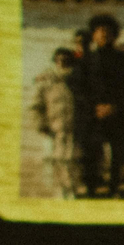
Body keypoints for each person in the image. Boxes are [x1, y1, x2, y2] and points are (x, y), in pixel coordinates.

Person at [80, 14, 124, 197]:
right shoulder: (85, 61)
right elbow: (78, 88)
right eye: (100, 32)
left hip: (118, 115)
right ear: (94, 36)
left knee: (117, 155)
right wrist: (94, 108)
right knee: (92, 155)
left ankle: (114, 188)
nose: (104, 35)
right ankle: (91, 190)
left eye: (108, 32)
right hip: (94, 115)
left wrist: (115, 106)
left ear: (115, 35)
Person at [32, 47, 84, 197]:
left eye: (66, 59)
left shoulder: (77, 80)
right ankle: (59, 191)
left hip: (73, 128)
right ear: (55, 60)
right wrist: (41, 125)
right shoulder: (46, 80)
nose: (62, 62)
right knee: (53, 161)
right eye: (59, 59)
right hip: (52, 129)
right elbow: (36, 106)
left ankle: (72, 190)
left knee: (72, 161)